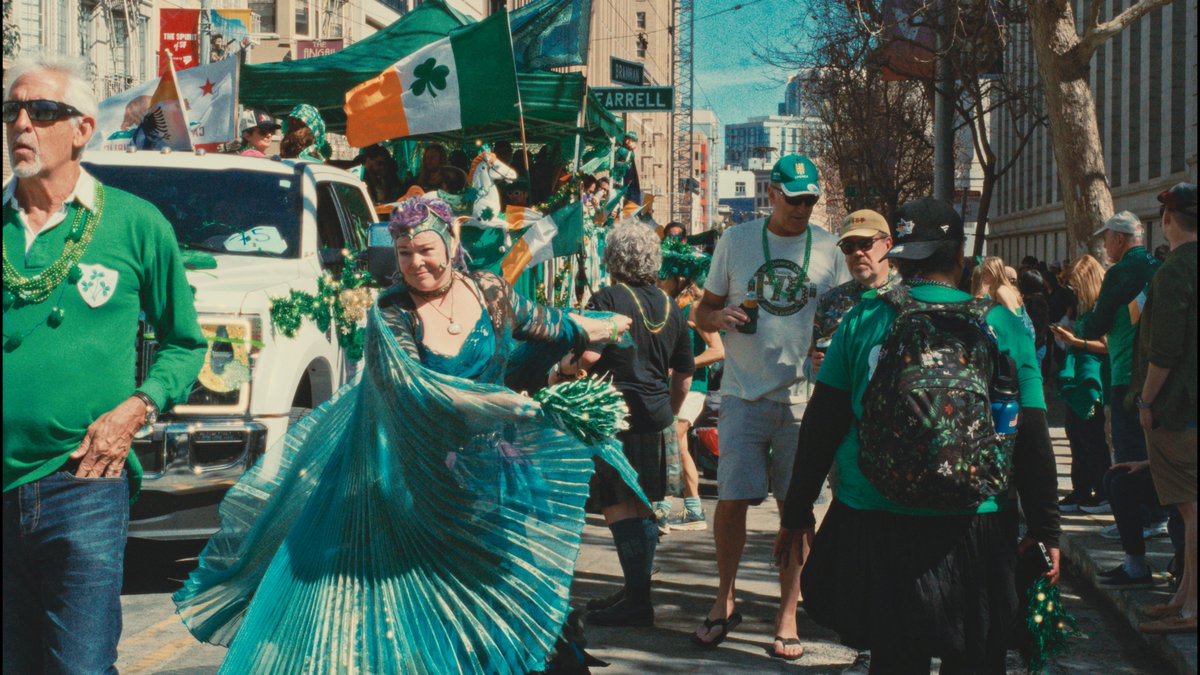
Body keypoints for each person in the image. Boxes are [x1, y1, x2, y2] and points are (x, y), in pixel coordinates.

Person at [173, 196, 642, 672]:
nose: (416, 263)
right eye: (404, 254)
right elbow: (420, 390)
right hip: (420, 482)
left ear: (451, 242)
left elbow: (550, 323)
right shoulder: (393, 312)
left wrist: (600, 325)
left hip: (493, 477)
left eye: (425, 249)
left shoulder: (490, 291)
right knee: (430, 605)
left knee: (508, 589)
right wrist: (504, 403)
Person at [777, 198, 1061, 674]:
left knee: (894, 657)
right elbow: (1031, 431)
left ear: (899, 259)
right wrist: (1046, 528)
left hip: (882, 513)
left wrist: (799, 509)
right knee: (976, 658)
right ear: (959, 258)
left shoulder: (864, 321)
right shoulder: (1004, 325)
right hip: (978, 520)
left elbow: (823, 422)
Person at [2, 54, 206, 673]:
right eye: (11, 111)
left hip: (84, 481)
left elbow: (185, 343)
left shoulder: (135, 224)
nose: (21, 126)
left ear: (83, 129)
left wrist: (136, 408)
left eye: (41, 112)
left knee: (80, 664)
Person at [692, 154, 848, 660]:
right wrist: (721, 316)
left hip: (804, 401)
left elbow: (845, 321)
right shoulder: (736, 241)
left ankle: (787, 614)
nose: (803, 208)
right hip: (742, 393)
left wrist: (833, 350)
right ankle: (725, 599)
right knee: (733, 501)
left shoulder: (828, 249)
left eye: (810, 201)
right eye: (794, 199)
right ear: (772, 194)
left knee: (795, 510)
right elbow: (701, 311)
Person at [547, 222, 694, 628]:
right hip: (658, 416)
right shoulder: (672, 307)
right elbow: (683, 374)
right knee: (642, 509)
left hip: (617, 416)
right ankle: (634, 593)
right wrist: (670, 413)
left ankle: (637, 603)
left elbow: (589, 357)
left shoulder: (608, 298)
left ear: (613, 258)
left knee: (617, 508)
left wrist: (559, 372)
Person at [1130, 183, 1197, 634]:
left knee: (1192, 511)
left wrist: (1146, 399)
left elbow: (1165, 350)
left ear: (1168, 220)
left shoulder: (1173, 272)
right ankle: (1184, 597)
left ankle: (1192, 606)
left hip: (1177, 410)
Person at [1057, 211, 1160, 499]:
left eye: (1106, 239)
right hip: (1156, 368)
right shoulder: (1158, 268)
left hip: (1125, 370)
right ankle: (1155, 515)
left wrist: (1084, 325)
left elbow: (1094, 325)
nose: (1105, 246)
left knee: (1127, 449)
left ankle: (1137, 518)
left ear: (1119, 238)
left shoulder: (1121, 273)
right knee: (1151, 449)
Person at [654, 236, 722, 533]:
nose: (657, 279)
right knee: (677, 443)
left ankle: (666, 506)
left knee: (674, 439)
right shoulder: (670, 306)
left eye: (663, 274)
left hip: (693, 387)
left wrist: (683, 366)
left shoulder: (694, 308)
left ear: (678, 278)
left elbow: (719, 351)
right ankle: (690, 508)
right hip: (676, 386)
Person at [1051, 255, 1111, 513]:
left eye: (1076, 284)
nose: (1074, 291)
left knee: (1091, 436)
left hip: (1092, 381)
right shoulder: (1085, 307)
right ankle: (1082, 488)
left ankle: (1102, 490)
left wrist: (1074, 341)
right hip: (1080, 379)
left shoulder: (1102, 307)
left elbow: (1107, 346)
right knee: (1075, 434)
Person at [808, 209, 896, 381]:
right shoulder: (830, 301)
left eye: (865, 244)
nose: (857, 253)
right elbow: (811, 363)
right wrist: (815, 367)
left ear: (888, 244)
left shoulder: (912, 296)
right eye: (848, 247)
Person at [1018, 268, 1051, 367]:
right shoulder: (1034, 299)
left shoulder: (1036, 301)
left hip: (1035, 347)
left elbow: (1039, 328)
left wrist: (1032, 347)